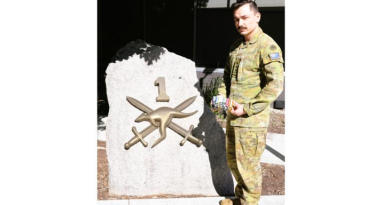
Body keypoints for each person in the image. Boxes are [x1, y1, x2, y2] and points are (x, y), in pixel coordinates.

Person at [218, 1, 284, 205]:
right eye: (236, 19)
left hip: (251, 121)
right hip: (233, 117)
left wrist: (246, 108)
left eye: (245, 17)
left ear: (257, 17)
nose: (240, 22)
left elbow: (275, 85)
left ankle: (250, 203)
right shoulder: (236, 46)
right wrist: (220, 102)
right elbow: (225, 78)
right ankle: (241, 199)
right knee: (234, 162)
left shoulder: (267, 46)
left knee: (248, 166)